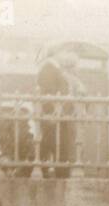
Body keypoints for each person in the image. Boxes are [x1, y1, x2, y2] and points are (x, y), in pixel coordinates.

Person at [36, 49, 84, 177]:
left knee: (56, 148)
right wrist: (56, 113)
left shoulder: (55, 71)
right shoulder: (50, 69)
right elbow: (52, 94)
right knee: (58, 149)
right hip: (56, 118)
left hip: (60, 117)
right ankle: (57, 175)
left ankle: (49, 172)